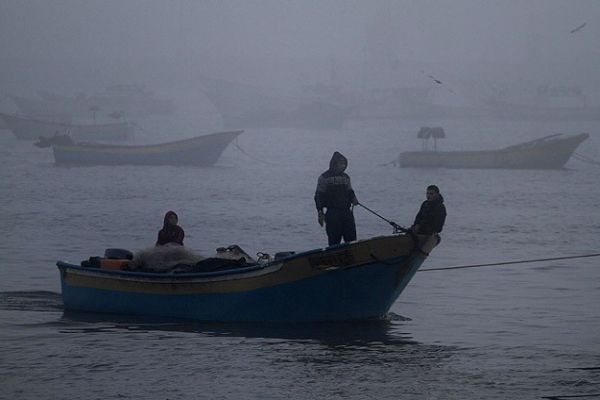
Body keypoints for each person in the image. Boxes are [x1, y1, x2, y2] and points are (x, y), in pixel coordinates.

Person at [314, 151, 359, 245]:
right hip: (332, 213)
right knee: (334, 241)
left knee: (352, 240)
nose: (343, 166)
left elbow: (350, 191)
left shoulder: (346, 177)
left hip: (346, 212)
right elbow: (318, 196)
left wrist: (354, 198)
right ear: (334, 164)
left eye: (344, 163)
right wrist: (320, 212)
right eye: (341, 163)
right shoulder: (324, 177)